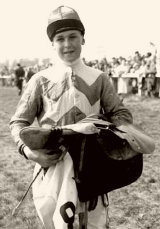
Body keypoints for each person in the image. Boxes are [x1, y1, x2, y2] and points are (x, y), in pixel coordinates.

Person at [10, 5, 133, 229]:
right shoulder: (39, 79)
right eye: (60, 39)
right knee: (55, 223)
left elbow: (120, 113)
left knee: (94, 223)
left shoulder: (100, 77)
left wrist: (110, 131)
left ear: (83, 39)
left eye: (73, 37)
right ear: (52, 43)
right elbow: (18, 122)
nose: (67, 44)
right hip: (53, 164)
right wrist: (31, 152)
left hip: (93, 164)